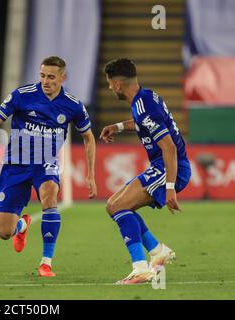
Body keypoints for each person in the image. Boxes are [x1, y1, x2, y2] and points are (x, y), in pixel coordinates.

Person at [0, 56, 97, 277]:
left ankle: (46, 262)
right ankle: (21, 226)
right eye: (42, 76)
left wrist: (91, 175)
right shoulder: (21, 95)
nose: (45, 81)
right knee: (4, 232)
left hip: (45, 162)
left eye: (51, 77)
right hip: (15, 165)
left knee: (50, 198)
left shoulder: (73, 105)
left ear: (62, 78)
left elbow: (88, 137)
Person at [99, 58, 191, 284]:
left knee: (120, 206)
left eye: (110, 83)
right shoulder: (146, 97)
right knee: (113, 206)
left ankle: (140, 268)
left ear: (118, 84)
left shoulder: (144, 104)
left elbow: (168, 147)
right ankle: (157, 250)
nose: (110, 88)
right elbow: (143, 122)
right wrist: (118, 127)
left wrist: (170, 188)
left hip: (170, 167)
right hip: (163, 165)